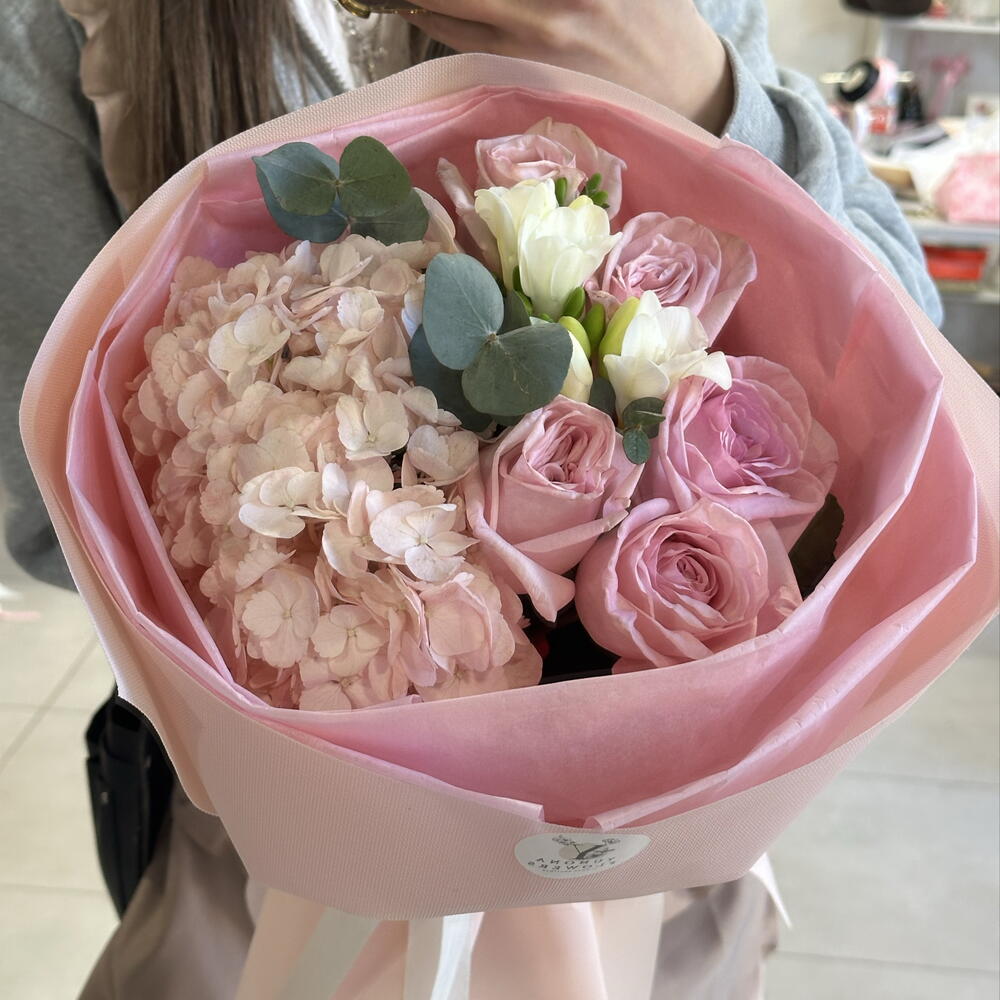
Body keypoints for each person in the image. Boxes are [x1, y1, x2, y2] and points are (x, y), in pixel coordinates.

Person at [1, 1, 941, 996]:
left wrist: (707, 94)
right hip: (275, 858)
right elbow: (59, 513)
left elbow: (909, 389)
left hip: (649, 862)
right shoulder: (67, 27)